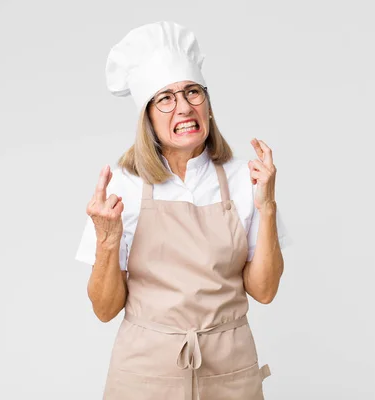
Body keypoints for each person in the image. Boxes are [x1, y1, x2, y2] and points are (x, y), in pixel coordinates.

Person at [74, 21, 292, 399]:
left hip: (230, 370)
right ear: (148, 116)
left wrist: (268, 206)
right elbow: (106, 309)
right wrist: (107, 242)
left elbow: (264, 290)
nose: (184, 107)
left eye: (193, 92)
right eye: (166, 98)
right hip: (144, 374)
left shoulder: (246, 178)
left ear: (207, 102)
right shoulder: (123, 186)